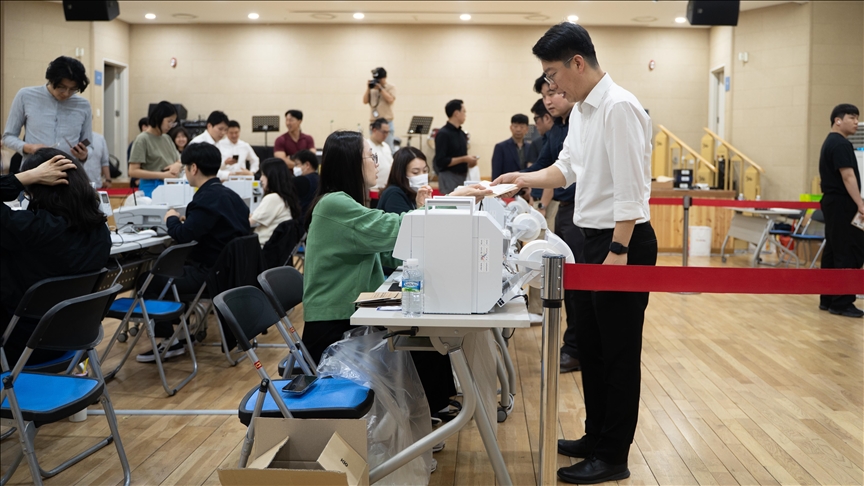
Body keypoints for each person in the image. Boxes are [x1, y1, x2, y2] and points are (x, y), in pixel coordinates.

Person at [494, 23, 656, 484]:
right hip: (589, 239)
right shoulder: (584, 111)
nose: (550, 87)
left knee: (620, 351)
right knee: (592, 345)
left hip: (622, 241)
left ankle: (613, 454)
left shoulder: (620, 107)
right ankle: (594, 436)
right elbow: (567, 168)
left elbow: (631, 192)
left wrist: (619, 252)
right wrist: (522, 179)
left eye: (551, 75)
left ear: (577, 63)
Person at [302, 130, 490, 419]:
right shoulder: (333, 204)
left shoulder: (347, 203)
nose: (377, 163)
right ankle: (427, 417)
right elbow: (395, 228)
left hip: (354, 313)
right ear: (352, 162)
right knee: (423, 340)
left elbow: (390, 248)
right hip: (335, 325)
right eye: (372, 156)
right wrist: (451, 198)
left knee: (426, 334)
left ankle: (430, 414)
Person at [136, 143, 251, 362]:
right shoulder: (231, 197)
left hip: (210, 276)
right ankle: (181, 334)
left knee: (147, 280)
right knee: (176, 271)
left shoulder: (205, 198)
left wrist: (170, 217)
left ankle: (171, 340)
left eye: (185, 167)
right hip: (232, 274)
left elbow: (183, 235)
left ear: (194, 168)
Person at [1, 149, 110, 367]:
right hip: (71, 342)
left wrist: (25, 177)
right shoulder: (100, 232)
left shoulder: (29, 228)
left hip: (18, 346)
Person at [525, 75, 585, 373]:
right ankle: (573, 346)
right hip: (567, 211)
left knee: (577, 284)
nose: (549, 100)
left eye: (554, 93)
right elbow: (546, 168)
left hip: (585, 214)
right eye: (545, 95)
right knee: (566, 282)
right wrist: (513, 180)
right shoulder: (558, 128)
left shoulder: (583, 120)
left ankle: (576, 348)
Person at [3, 56, 92, 165]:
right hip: (34, 170)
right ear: (51, 79)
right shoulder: (25, 96)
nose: (66, 93)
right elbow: (8, 137)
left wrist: (84, 155)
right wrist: (28, 147)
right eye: (61, 87)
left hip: (69, 171)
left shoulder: (83, 105)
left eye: (73, 89)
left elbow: (89, 145)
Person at [819, 104, 863, 318]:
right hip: (842, 204)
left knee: (833, 250)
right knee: (848, 250)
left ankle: (828, 298)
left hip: (832, 202)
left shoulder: (830, 142)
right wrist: (861, 204)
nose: (856, 122)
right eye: (852, 117)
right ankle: (842, 302)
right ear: (838, 120)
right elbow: (848, 176)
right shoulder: (840, 144)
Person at [128, 101, 181, 197]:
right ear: (158, 118)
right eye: (169, 121)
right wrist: (162, 175)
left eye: (173, 122)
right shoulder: (142, 139)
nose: (170, 125)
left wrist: (177, 165)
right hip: (151, 188)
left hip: (170, 186)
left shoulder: (167, 138)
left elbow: (178, 160)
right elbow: (133, 171)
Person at [250, 158, 301, 246]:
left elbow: (250, 222)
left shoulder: (272, 198)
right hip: (274, 251)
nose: (261, 179)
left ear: (272, 176)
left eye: (263, 175)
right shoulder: (285, 197)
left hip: (261, 249)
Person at [433, 100, 479, 194]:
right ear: (456, 113)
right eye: (464, 111)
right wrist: (465, 159)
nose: (465, 114)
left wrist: (470, 162)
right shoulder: (443, 134)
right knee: (451, 206)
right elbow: (441, 161)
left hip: (462, 176)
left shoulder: (461, 134)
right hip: (449, 176)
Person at [377, 146, 428, 214]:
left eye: (425, 171)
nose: (422, 176)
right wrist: (422, 208)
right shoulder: (394, 194)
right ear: (401, 173)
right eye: (415, 172)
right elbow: (407, 223)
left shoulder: (412, 193)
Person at [362, 67, 397, 150]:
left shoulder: (390, 87)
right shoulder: (372, 88)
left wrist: (381, 89)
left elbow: (390, 100)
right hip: (374, 122)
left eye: (379, 79)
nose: (377, 81)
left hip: (386, 122)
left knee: (388, 148)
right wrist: (368, 88)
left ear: (384, 78)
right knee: (373, 148)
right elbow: (365, 101)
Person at [491, 114, 531, 180]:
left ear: (527, 129)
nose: (518, 129)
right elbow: (496, 172)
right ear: (511, 128)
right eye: (515, 126)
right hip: (507, 186)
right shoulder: (500, 147)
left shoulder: (531, 147)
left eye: (521, 127)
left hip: (526, 186)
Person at [291, 149, 319, 216]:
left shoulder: (300, 181)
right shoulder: (321, 179)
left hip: (302, 220)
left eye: (297, 164)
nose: (294, 168)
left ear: (307, 165)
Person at [367, 118, 393, 188]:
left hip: (385, 187)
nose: (386, 135)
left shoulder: (386, 146)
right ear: (374, 130)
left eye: (388, 132)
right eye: (384, 132)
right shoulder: (366, 146)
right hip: (373, 188)